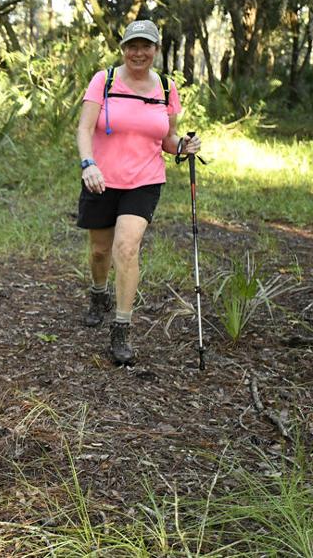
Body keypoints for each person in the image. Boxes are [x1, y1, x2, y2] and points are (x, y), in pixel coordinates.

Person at [75, 19, 200, 365]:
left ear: (156, 50)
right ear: (123, 49)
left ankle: (121, 327)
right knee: (100, 252)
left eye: (146, 46)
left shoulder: (165, 87)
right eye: (133, 46)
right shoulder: (105, 80)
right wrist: (89, 164)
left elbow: (167, 139)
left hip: (144, 181)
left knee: (126, 248)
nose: (139, 53)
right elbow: (85, 128)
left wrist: (183, 147)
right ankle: (98, 294)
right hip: (99, 179)